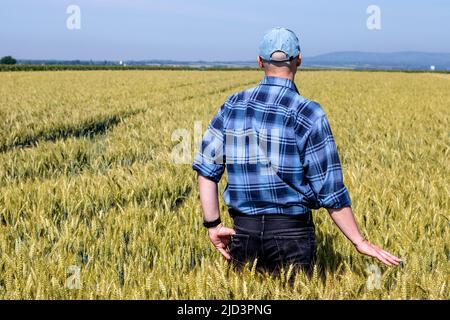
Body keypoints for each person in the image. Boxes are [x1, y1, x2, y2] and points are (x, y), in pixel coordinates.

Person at [192, 27, 401, 278]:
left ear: (260, 61)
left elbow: (206, 171)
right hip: (292, 234)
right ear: (299, 60)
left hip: (242, 232)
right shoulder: (309, 113)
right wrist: (359, 241)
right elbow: (330, 191)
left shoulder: (232, 106)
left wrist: (213, 225)